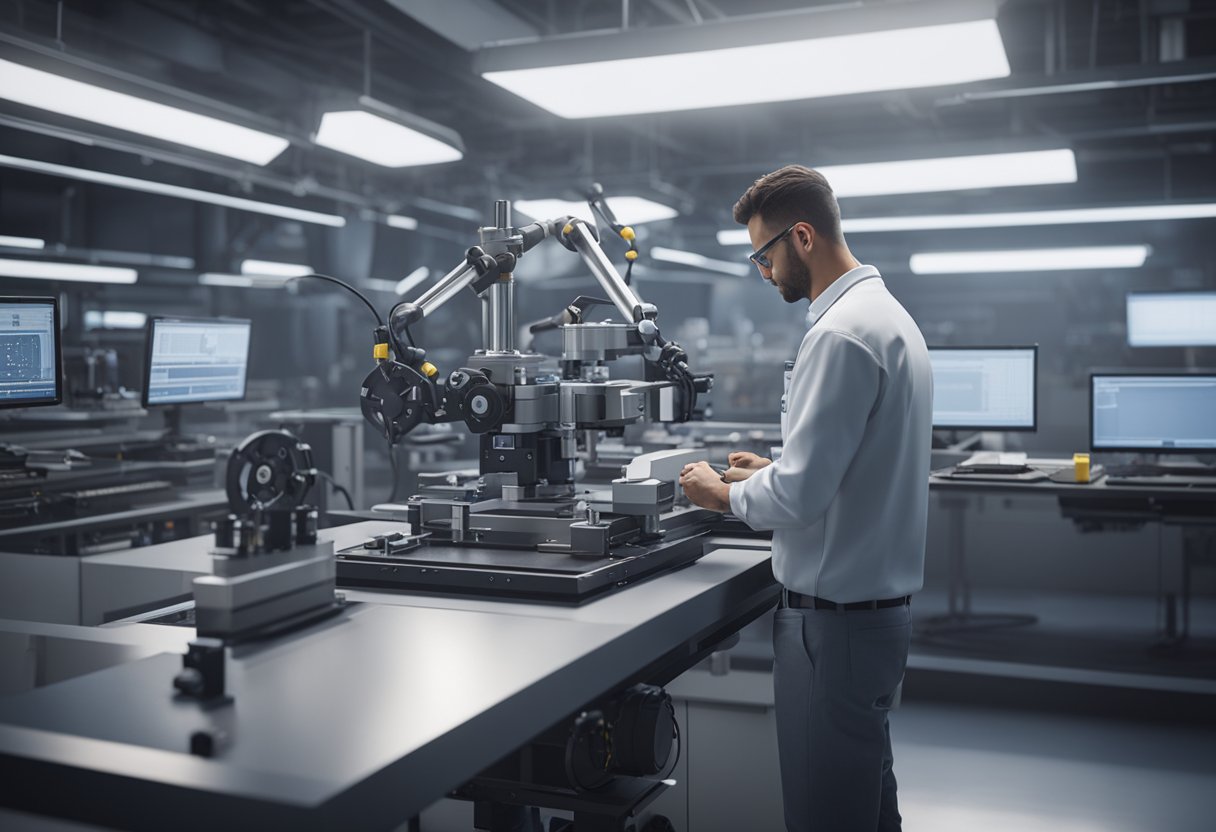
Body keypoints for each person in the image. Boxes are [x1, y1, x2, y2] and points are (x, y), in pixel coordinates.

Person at [679, 165, 933, 832]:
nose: (761, 270)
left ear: (801, 237)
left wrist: (718, 494)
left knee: (827, 817)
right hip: (872, 619)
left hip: (834, 626)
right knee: (867, 806)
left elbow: (800, 498)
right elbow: (848, 468)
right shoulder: (885, 317)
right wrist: (772, 468)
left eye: (763, 254)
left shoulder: (839, 334)